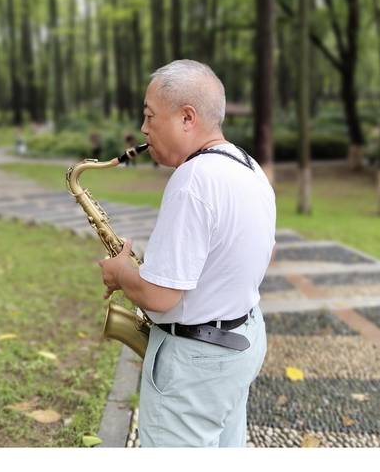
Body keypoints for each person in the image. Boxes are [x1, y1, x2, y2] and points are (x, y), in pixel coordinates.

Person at [98, 59, 276, 447]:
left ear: (187, 117)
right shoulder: (248, 167)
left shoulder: (193, 180)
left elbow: (161, 297)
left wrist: (120, 271)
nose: (143, 128)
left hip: (195, 362)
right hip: (239, 341)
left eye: (149, 116)